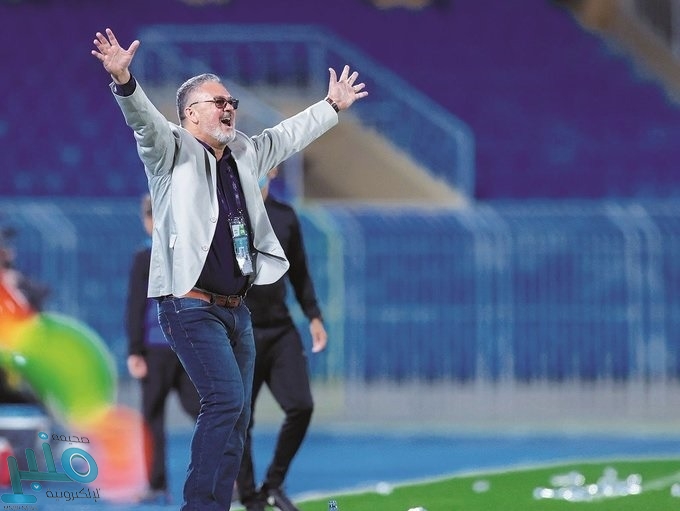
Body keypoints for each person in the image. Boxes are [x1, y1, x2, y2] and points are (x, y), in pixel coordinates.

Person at [91, 27, 367, 511]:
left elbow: (287, 135)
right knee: (224, 401)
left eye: (231, 101)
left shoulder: (243, 151)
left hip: (237, 310)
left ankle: (217, 504)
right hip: (190, 305)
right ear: (190, 113)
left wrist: (331, 106)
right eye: (217, 101)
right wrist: (125, 82)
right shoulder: (170, 149)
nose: (228, 108)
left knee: (237, 417)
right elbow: (144, 123)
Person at [237, 168, 328, 511]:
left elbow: (300, 271)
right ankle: (250, 498)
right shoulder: (229, 212)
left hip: (280, 330)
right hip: (240, 331)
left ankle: (273, 483)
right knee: (239, 418)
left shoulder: (285, 216)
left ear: (273, 169)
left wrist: (314, 315)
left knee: (301, 405)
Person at [125, 194, 201, 505]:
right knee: (206, 411)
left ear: (148, 219)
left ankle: (157, 486)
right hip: (187, 344)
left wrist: (135, 350)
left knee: (152, 419)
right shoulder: (190, 251)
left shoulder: (145, 256)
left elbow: (135, 306)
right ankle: (230, 475)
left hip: (156, 348)